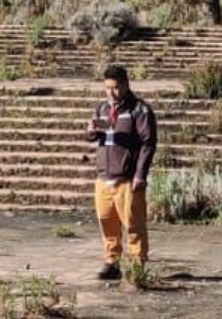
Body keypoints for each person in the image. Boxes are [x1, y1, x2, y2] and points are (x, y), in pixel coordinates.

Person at [83, 63, 156, 280]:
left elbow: (148, 143)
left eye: (114, 88)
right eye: (107, 88)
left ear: (125, 85)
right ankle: (111, 262)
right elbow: (95, 137)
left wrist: (140, 174)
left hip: (127, 178)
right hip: (105, 177)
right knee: (107, 222)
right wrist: (90, 132)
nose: (111, 93)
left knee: (133, 224)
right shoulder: (102, 109)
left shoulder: (139, 109)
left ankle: (137, 265)